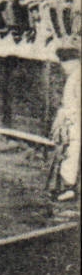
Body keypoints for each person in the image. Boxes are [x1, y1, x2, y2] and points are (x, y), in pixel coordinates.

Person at [48, 45, 79, 208]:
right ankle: (66, 187)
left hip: (75, 122)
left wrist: (67, 121)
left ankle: (70, 189)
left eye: (64, 62)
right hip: (72, 120)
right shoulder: (74, 75)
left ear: (72, 61)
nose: (62, 66)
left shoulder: (77, 77)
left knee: (71, 154)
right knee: (68, 153)